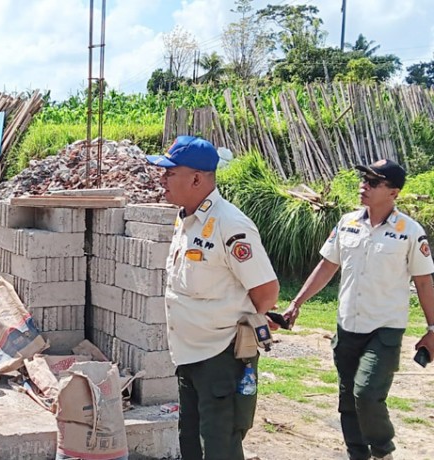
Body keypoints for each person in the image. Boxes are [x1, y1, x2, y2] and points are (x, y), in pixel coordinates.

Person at [283, 159, 434, 460]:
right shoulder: (347, 223)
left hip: (384, 329)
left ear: (394, 192)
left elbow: (424, 280)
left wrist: (432, 330)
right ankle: (357, 455)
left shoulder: (409, 232)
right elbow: (327, 267)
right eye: (364, 179)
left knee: (366, 394)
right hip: (346, 326)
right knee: (347, 400)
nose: (364, 185)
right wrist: (296, 303)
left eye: (374, 182)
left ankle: (382, 451)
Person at [146, 135, 279, 460]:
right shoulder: (187, 219)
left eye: (169, 172)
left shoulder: (230, 224)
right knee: (190, 441)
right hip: (189, 357)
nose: (162, 178)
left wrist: (240, 326)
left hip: (221, 359)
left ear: (196, 178)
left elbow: (266, 291)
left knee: (220, 447)